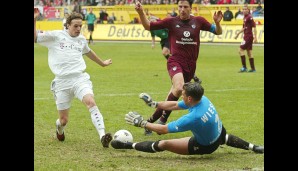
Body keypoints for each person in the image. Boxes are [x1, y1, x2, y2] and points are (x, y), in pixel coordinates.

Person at [134, 0, 223, 135]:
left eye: (185, 7)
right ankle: (162, 122)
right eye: (180, 7)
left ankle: (150, 122)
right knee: (179, 87)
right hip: (175, 61)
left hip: (190, 67)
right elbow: (148, 26)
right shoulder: (171, 21)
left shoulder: (198, 21)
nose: (182, 9)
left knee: (173, 95)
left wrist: (217, 23)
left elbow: (218, 32)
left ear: (191, 8)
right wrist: (140, 11)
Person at [111, 82, 264, 155]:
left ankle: (129, 145)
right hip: (219, 132)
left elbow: (163, 130)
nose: (181, 95)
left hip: (205, 145)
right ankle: (254, 147)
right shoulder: (203, 99)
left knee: (164, 144)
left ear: (190, 98)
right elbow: (175, 105)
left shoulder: (193, 118)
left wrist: (143, 123)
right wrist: (154, 104)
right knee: (224, 137)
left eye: (183, 94)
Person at [34, 9, 113, 148]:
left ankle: (102, 136)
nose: (78, 29)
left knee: (91, 102)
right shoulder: (56, 36)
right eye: (75, 26)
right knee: (63, 120)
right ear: (68, 25)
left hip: (79, 78)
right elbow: (35, 38)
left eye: (80, 26)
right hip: (61, 82)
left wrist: (102, 63)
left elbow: (88, 51)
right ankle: (59, 128)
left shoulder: (81, 39)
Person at [234, 5, 257, 73]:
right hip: (246, 36)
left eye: (245, 9)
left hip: (248, 37)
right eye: (243, 9)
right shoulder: (245, 17)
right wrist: (237, 34)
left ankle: (244, 67)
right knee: (249, 52)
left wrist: (255, 37)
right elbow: (244, 28)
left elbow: (254, 27)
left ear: (248, 10)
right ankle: (253, 69)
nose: (244, 10)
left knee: (240, 50)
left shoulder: (249, 17)